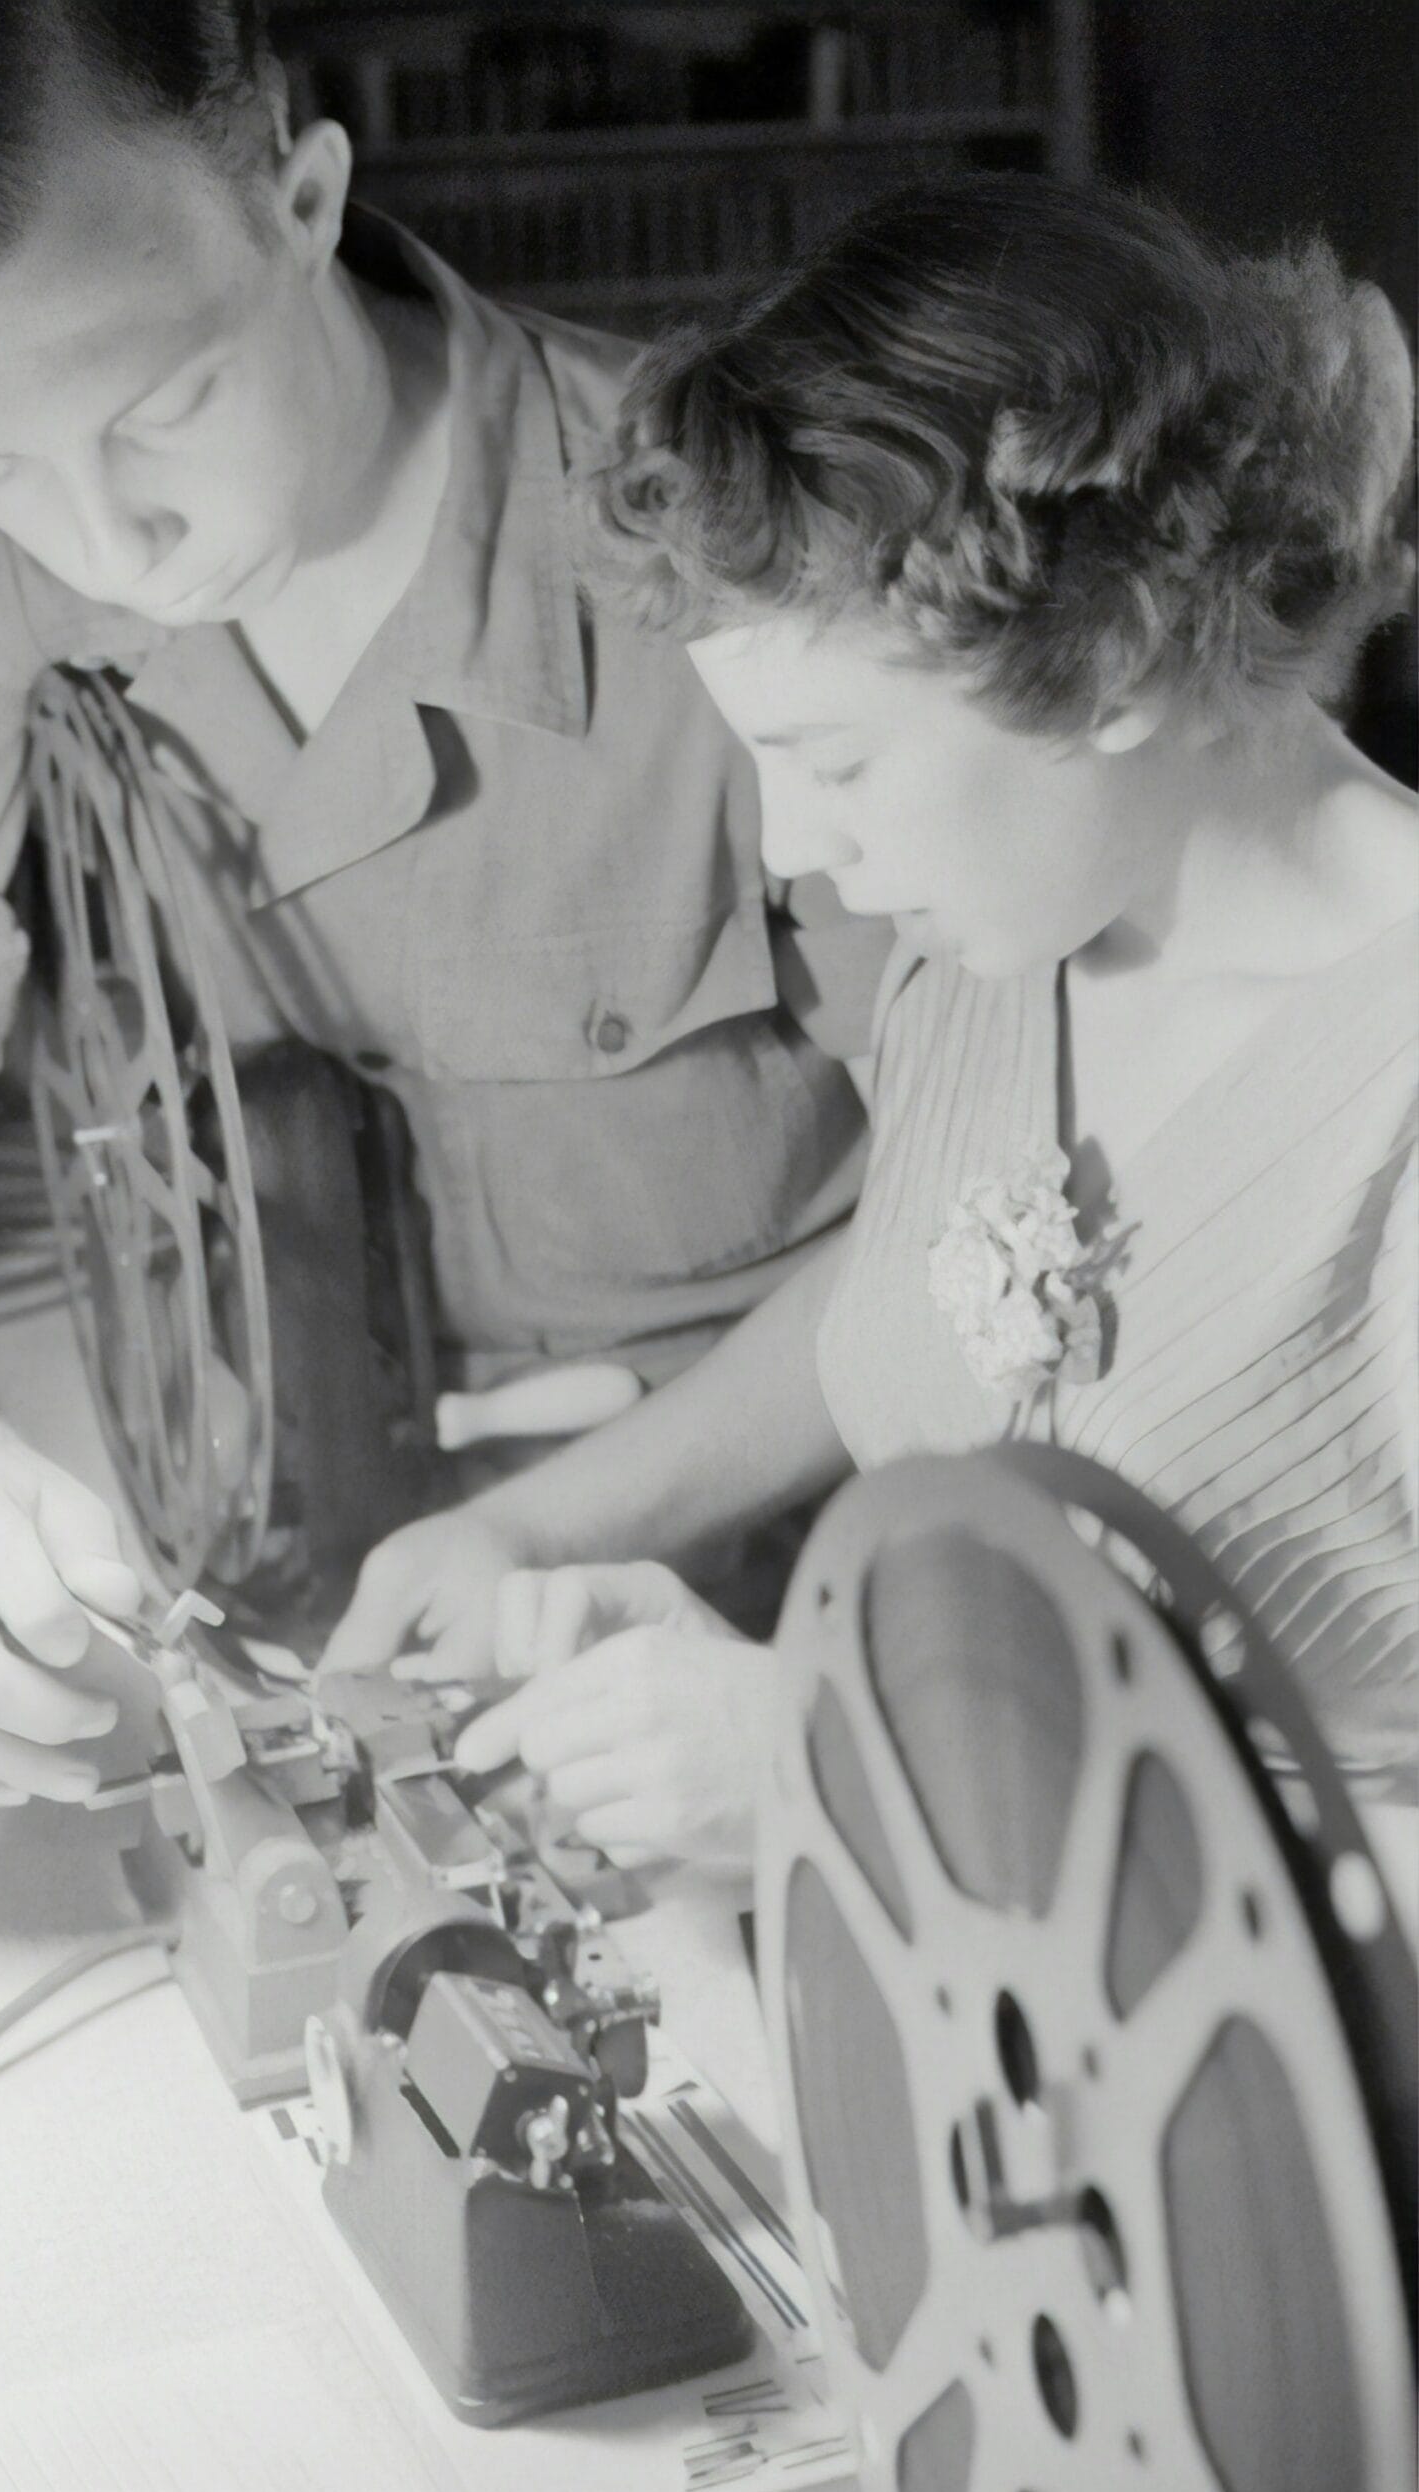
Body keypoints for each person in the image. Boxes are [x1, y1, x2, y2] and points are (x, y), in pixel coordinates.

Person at [0, 1, 886, 1808]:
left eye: (164, 406)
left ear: (304, 198)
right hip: (285, 1580)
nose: (106, 543)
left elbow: (992, 1215)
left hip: (805, 1591)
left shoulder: (729, 548)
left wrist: (564, 1525)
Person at [332, 174, 1419, 1867]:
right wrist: (540, 1531)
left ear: (1111, 661)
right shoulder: (992, 945)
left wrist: (841, 1766)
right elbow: (930, 1297)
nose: (792, 848)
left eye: (833, 761)